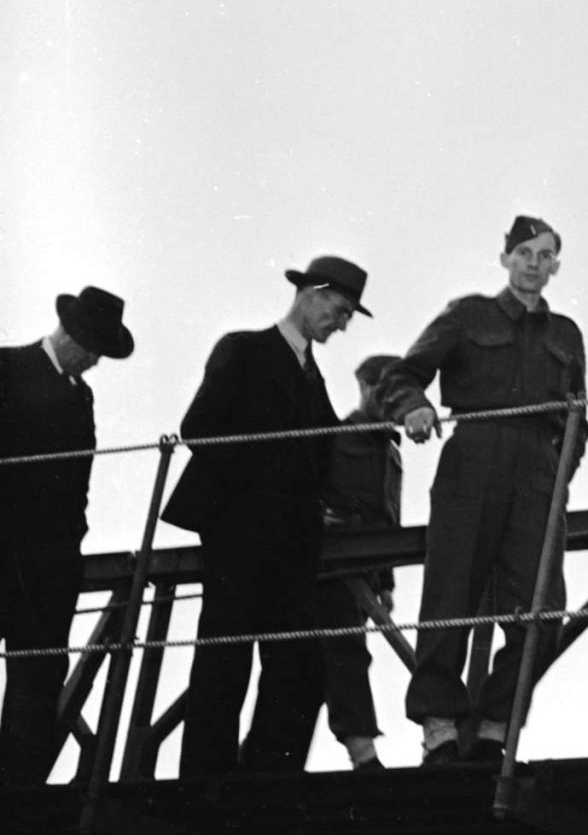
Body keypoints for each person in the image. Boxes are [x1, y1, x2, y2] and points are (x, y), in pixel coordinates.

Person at [381, 216, 588, 768]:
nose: (533, 263)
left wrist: (556, 475)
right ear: (505, 259)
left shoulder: (566, 335)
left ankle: (497, 726)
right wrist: (416, 408)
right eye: (524, 252)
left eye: (545, 256)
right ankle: (440, 730)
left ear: (556, 267)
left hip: (537, 471)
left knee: (543, 610)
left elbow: (579, 420)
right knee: (451, 596)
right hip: (473, 456)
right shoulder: (467, 314)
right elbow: (401, 376)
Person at [166, 256, 369, 776]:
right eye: (340, 309)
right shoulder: (245, 350)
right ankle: (204, 783)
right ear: (311, 294)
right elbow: (200, 427)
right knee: (225, 661)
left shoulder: (314, 381)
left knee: (300, 666)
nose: (342, 323)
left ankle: (265, 778)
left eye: (348, 315)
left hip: (293, 544)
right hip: (238, 532)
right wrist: (265, 485)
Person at [0, 286, 133, 785]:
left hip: (52, 563)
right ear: (78, 339)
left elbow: (79, 479)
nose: (98, 361)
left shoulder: (82, 395)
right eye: (97, 349)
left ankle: (16, 791)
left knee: (38, 676)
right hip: (8, 551)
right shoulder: (7, 370)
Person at [314, 355, 405, 773]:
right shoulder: (336, 437)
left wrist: (386, 581)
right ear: (365, 388)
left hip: (366, 566)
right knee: (343, 652)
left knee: (330, 658)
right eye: (381, 392)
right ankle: (363, 753)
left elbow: (390, 518)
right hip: (333, 561)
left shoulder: (391, 451)